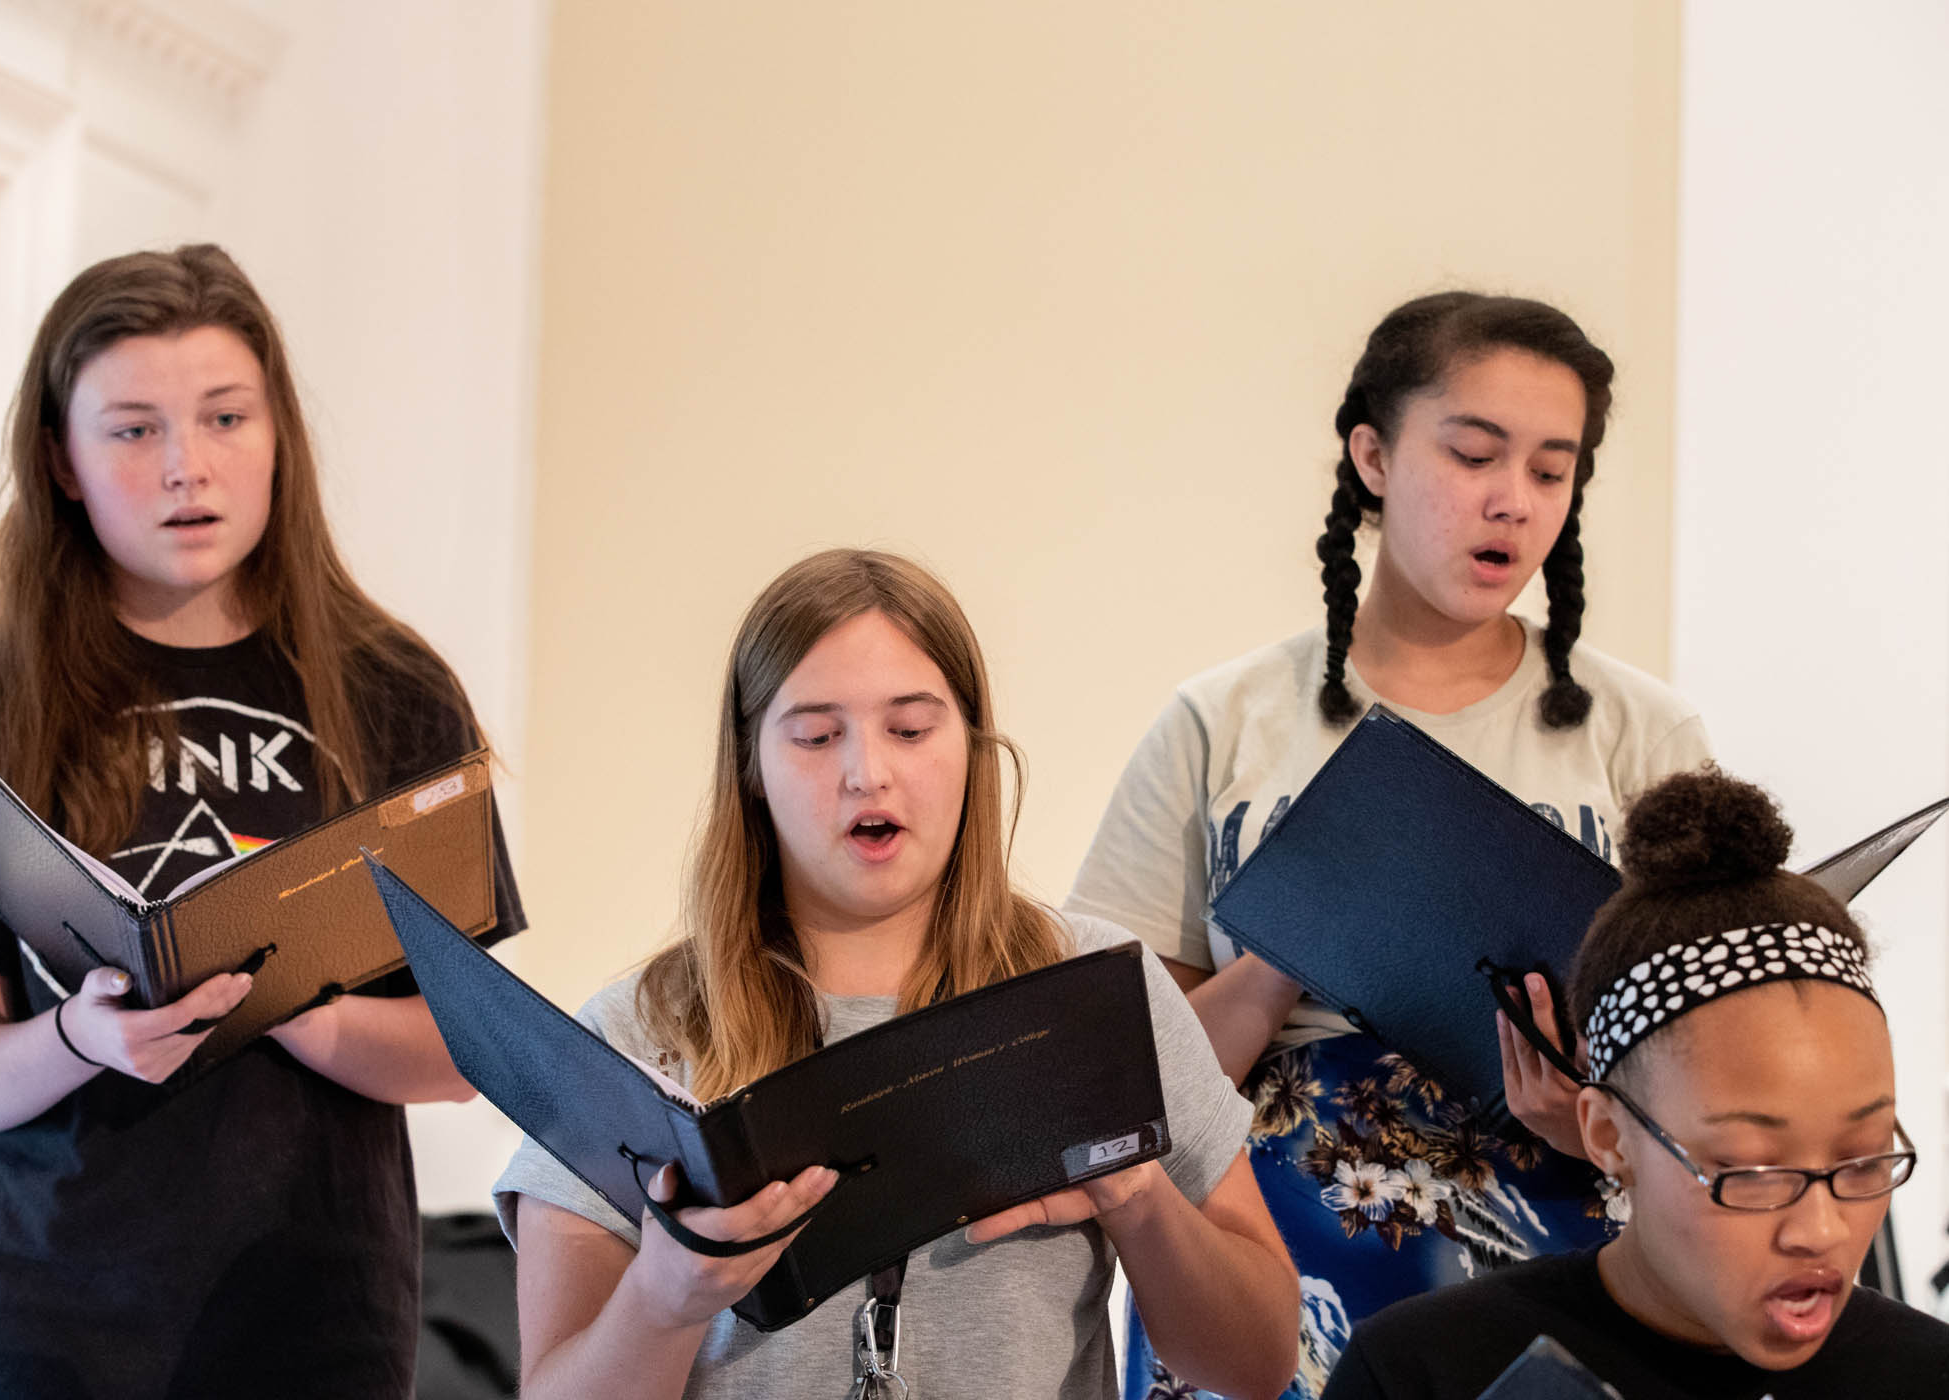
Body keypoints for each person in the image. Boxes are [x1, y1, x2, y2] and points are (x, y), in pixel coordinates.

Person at [0, 244, 525, 1399]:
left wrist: (286, 1004)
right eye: (132, 430)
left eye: (224, 417)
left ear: (278, 438)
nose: (186, 467)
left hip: (314, 1324)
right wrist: (84, 1037)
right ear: (62, 458)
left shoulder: (392, 688)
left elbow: (463, 1054)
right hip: (33, 1326)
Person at [1065, 292, 1714, 1398]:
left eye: (1552, 472)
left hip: (1564, 1238)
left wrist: (1595, 1117)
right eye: (1473, 455)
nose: (1512, 501)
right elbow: (1116, 1092)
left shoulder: (1640, 731)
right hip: (1271, 1260)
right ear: (1371, 454)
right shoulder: (1223, 722)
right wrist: (1289, 949)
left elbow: (1713, 1061)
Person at [494, 548, 1300, 1400]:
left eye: (911, 729)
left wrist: (1136, 1197)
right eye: (815, 735)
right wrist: (664, 1300)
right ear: (750, 765)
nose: (867, 773)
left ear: (973, 746)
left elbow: (1257, 1364)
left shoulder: (1091, 991)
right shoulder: (633, 1037)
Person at [1322, 768, 1949, 1398]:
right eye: (1752, 1171)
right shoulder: (1420, 1372)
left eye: (1865, 1159)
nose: (1822, 1231)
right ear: (1608, 1135)